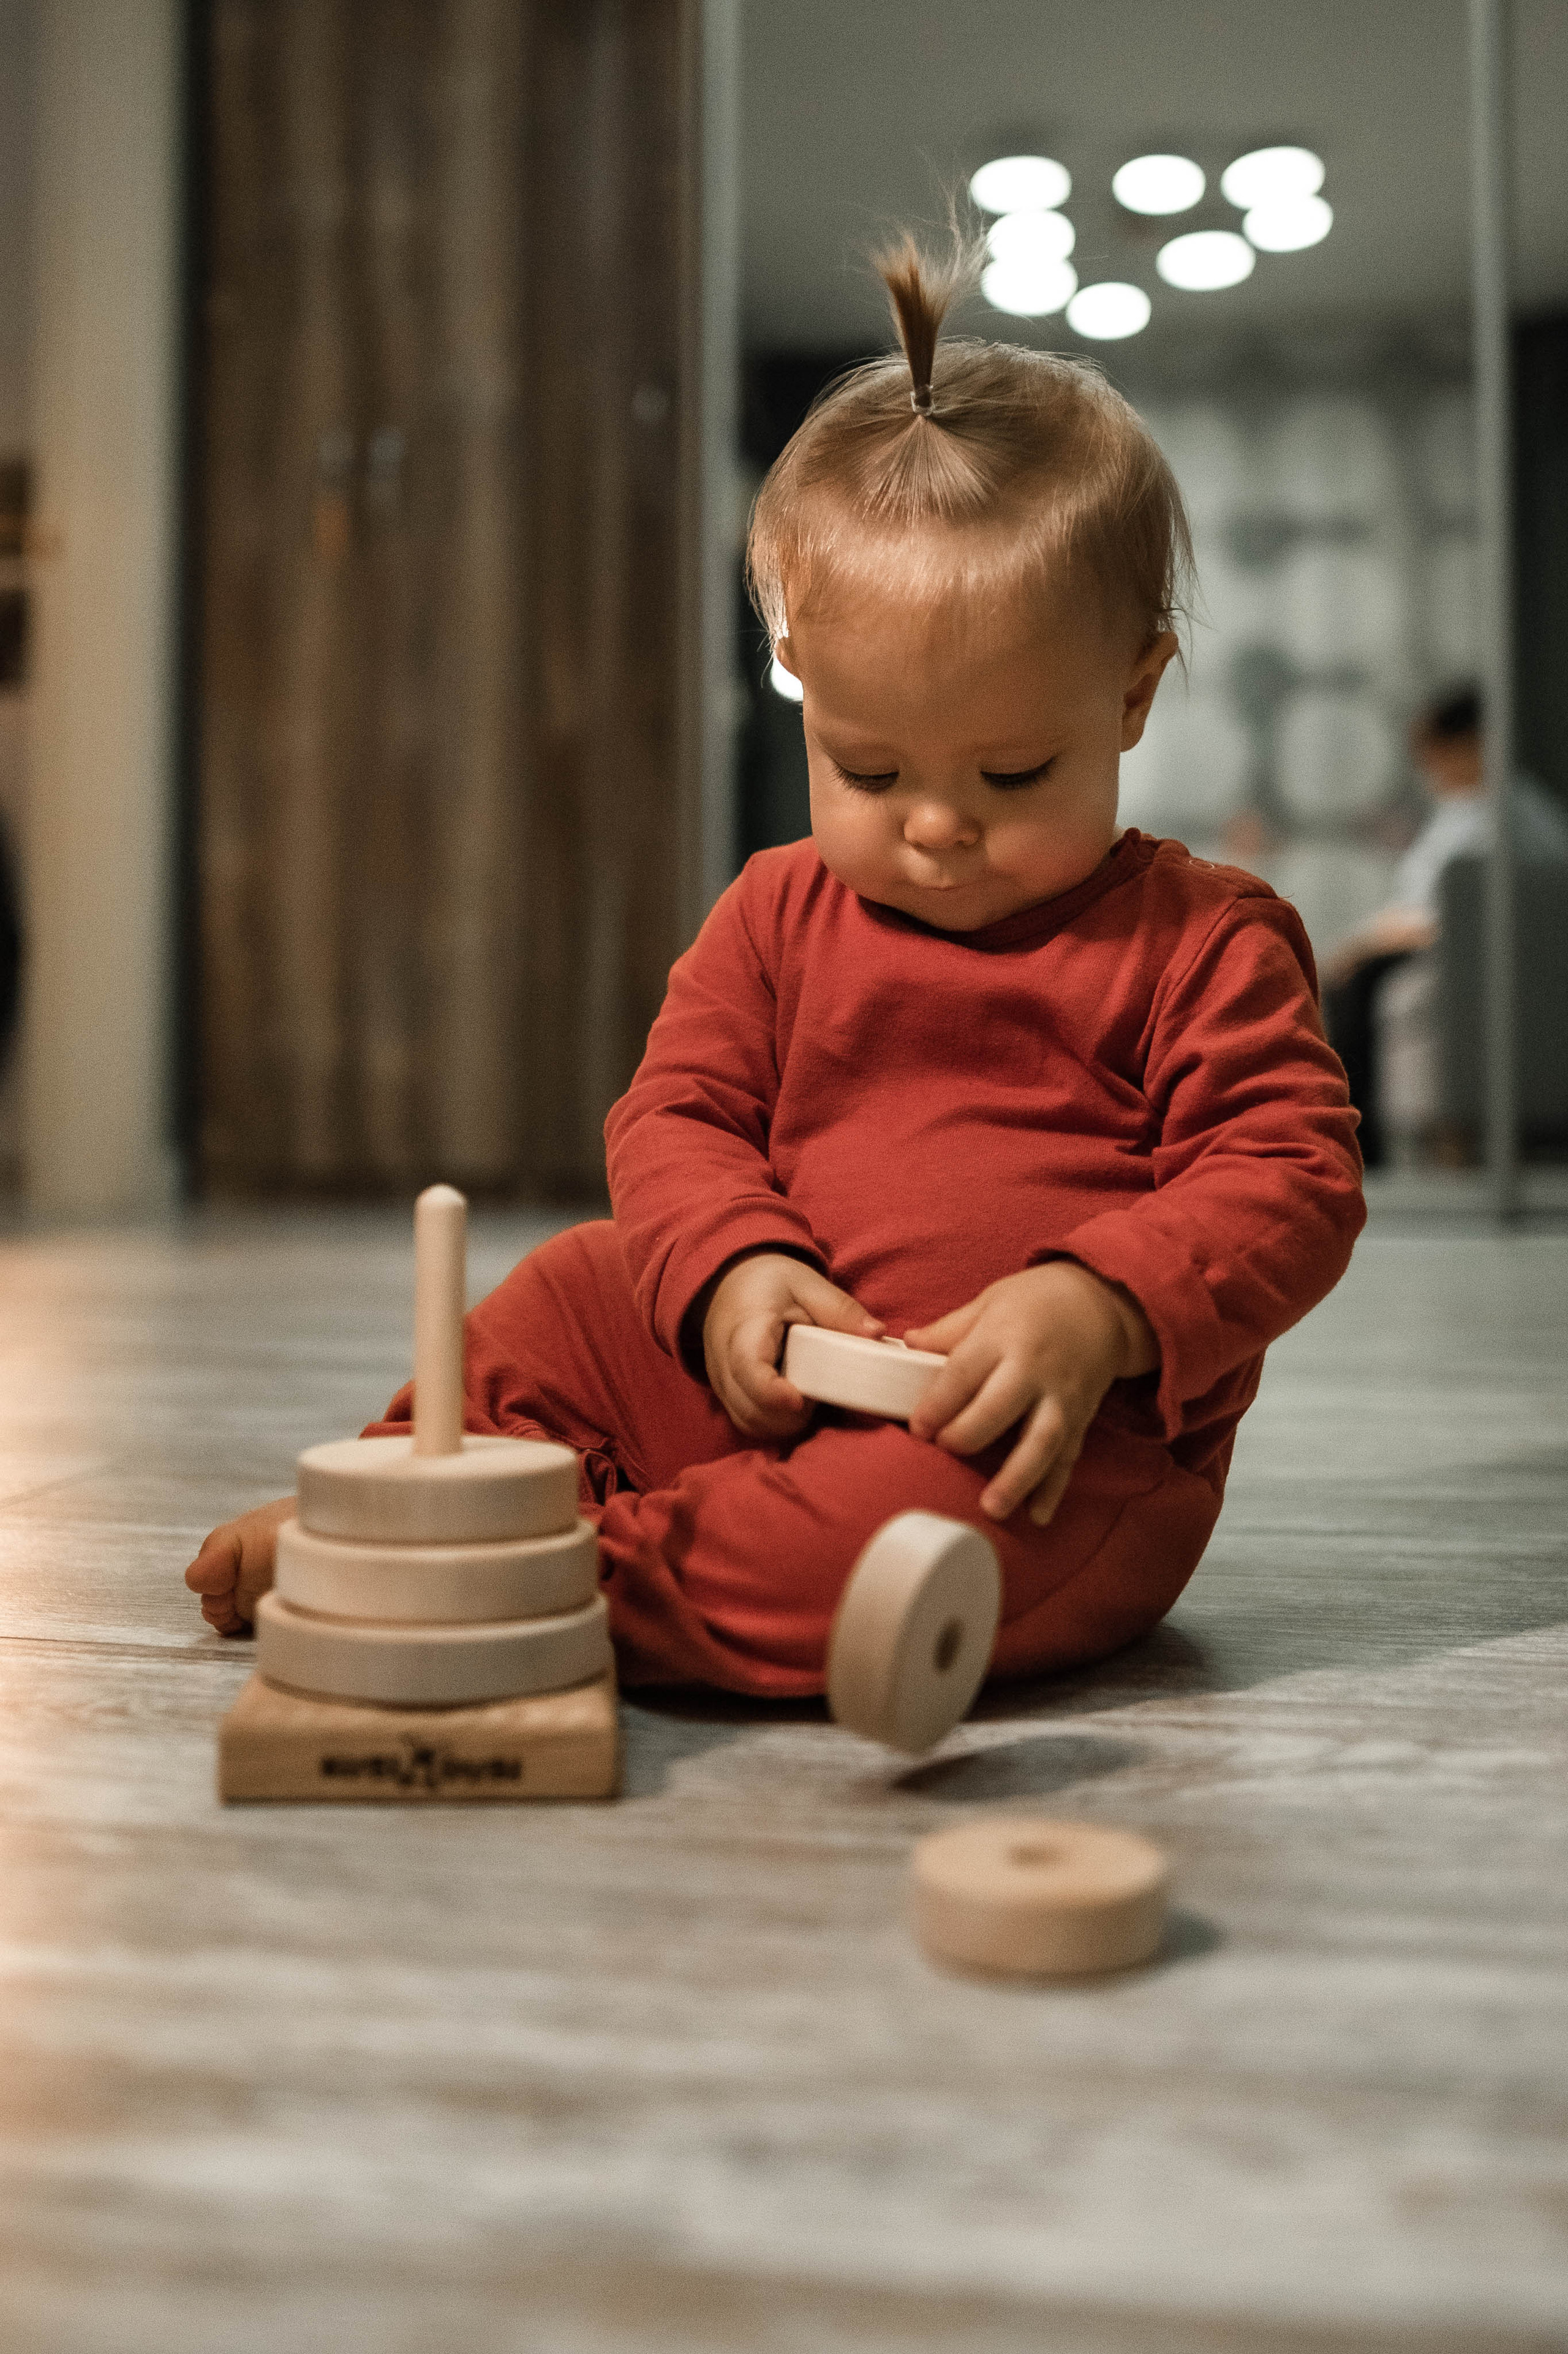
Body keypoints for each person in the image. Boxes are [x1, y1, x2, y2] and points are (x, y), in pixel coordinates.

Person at [186, 237, 1364, 1694]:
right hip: (764, 1375)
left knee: (900, 1541)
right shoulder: (774, 913)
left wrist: (1100, 1306)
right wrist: (738, 1267)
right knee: (574, 1291)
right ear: (799, 685)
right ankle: (410, 1497)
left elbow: (1288, 1173)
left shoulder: (1197, 939)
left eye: (1010, 770)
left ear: (1129, 696)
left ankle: (540, 1572)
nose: (934, 825)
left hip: (1037, 1446)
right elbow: (671, 1121)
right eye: (864, 767)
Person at [1321, 687, 1568, 1164]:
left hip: (1471, 953)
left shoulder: (1502, 816)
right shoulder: (1470, 812)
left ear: (1473, 743)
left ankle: (1358, 1140)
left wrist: (1363, 946)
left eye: (1434, 750)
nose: (1427, 765)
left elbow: (1448, 914)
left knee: (1360, 983)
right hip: (1453, 944)